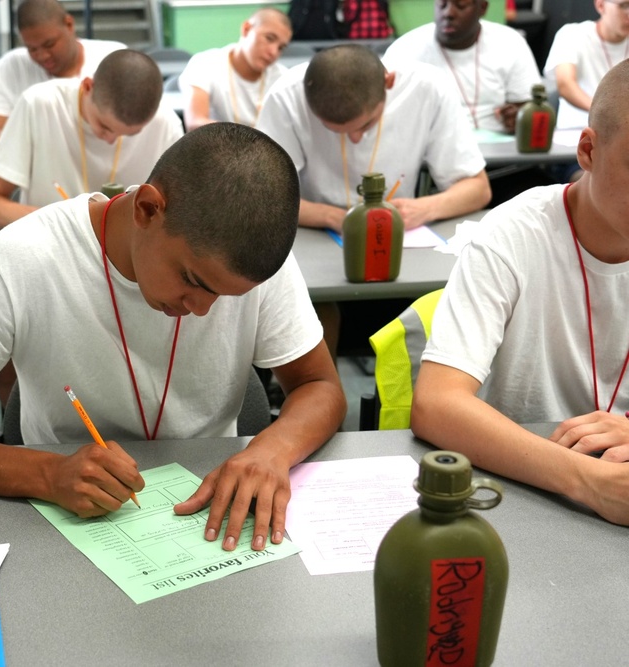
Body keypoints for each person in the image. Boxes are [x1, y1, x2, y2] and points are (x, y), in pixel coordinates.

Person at [0, 123, 347, 553]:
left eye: (226, 296)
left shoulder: (253, 266)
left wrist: (271, 450)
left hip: (207, 510)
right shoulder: (22, 260)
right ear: (146, 209)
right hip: (59, 517)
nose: (203, 309)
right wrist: (46, 473)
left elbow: (320, 387)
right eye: (194, 281)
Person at [412, 60, 629, 527]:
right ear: (588, 150)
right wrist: (591, 481)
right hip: (521, 492)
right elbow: (436, 404)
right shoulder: (514, 234)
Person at [256, 44, 491, 233]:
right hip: (311, 233)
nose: (355, 139)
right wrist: (330, 216)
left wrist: (425, 208)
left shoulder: (429, 88)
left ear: (388, 83)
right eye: (334, 131)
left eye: (366, 124)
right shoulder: (285, 96)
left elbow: (478, 189)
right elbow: (262, 198)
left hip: (396, 233)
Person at [0, 49, 184, 230]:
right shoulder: (40, 105)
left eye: (130, 134)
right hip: (50, 248)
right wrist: (62, 222)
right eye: (104, 126)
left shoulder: (165, 124)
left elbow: (180, 218)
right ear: (88, 87)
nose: (110, 140)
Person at [0, 0, 124, 152]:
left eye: (49, 45)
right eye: (32, 49)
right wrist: (35, 152)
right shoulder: (12, 66)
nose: (42, 56)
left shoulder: (113, 60)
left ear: (69, 24)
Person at [383, 0, 541, 134]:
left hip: (501, 155)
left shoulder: (510, 42)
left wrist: (518, 119)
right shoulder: (405, 49)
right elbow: (380, 112)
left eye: (460, 5)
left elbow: (529, 106)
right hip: (429, 157)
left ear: (482, 8)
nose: (448, 13)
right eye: (442, 4)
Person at [178, 8, 292, 131]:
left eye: (281, 48)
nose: (274, 52)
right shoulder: (205, 64)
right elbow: (195, 123)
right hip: (216, 148)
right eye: (269, 38)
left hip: (265, 149)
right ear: (246, 29)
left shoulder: (282, 78)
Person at [544, 0, 629, 131]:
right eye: (624, 6)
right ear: (601, 5)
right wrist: (605, 114)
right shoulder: (572, 34)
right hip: (577, 132)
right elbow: (565, 84)